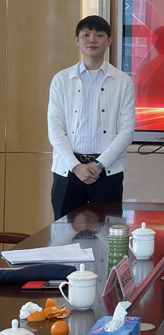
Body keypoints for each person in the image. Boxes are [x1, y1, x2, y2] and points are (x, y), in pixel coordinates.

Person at [48, 15, 135, 219]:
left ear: (109, 41)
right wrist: (75, 166)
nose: (92, 40)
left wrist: (98, 164)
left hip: (107, 171)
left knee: (108, 231)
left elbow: (126, 130)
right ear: (77, 40)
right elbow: (55, 128)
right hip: (68, 170)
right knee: (63, 232)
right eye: (86, 35)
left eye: (99, 35)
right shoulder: (61, 80)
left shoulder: (123, 81)